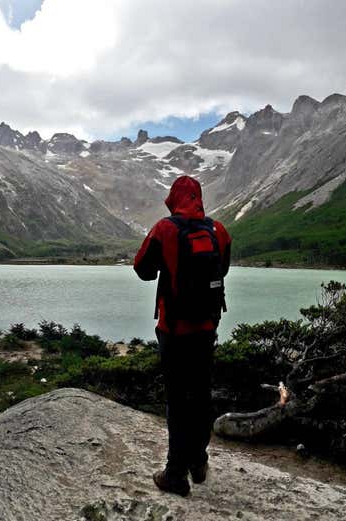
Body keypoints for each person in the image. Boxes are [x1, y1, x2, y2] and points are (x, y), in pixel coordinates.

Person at [134, 175, 231, 496]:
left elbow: (142, 269)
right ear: (199, 197)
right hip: (208, 327)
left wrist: (169, 264)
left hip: (174, 330)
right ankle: (198, 461)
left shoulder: (165, 229)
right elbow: (224, 269)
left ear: (174, 199)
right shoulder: (219, 231)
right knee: (201, 393)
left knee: (178, 399)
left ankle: (175, 473)